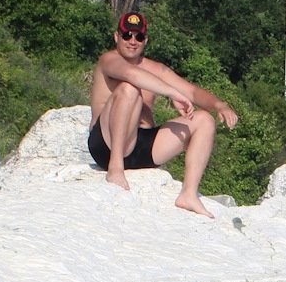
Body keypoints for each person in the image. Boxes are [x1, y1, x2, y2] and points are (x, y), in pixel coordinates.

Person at [88, 11, 238, 218]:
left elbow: (192, 91)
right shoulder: (108, 60)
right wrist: (170, 92)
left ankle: (188, 195)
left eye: (138, 36)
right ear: (116, 37)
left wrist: (220, 105)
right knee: (130, 88)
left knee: (204, 120)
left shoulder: (154, 68)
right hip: (106, 144)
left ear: (145, 40)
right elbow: (131, 75)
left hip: (141, 147)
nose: (133, 41)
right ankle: (115, 168)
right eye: (127, 35)